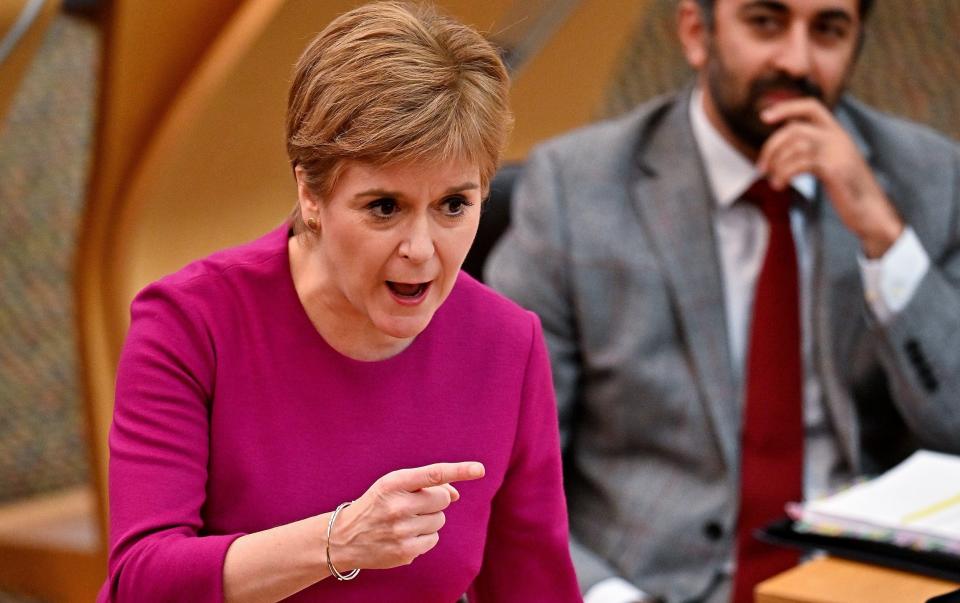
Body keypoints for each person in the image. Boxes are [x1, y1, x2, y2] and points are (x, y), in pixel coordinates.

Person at [98, 3, 581, 602]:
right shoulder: (192, 322)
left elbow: (537, 590)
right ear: (311, 194)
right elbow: (141, 583)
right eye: (384, 207)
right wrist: (339, 541)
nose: (422, 249)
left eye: (454, 205)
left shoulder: (507, 343)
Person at [487, 0, 960, 602]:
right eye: (766, 22)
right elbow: (502, 468)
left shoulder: (930, 179)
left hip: (861, 583)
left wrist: (884, 237)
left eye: (829, 30)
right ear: (695, 32)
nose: (796, 60)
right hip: (645, 583)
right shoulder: (575, 192)